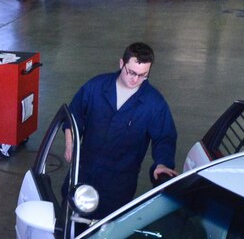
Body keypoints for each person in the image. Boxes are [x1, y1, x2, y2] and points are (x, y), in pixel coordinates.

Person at [67, 41, 177, 219]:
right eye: (132, 72)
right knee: (69, 227)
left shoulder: (154, 103)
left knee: (103, 236)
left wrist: (162, 162)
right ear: (121, 64)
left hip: (117, 186)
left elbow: (164, 137)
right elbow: (75, 114)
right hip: (83, 174)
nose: (135, 80)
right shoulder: (96, 87)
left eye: (143, 75)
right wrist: (70, 142)